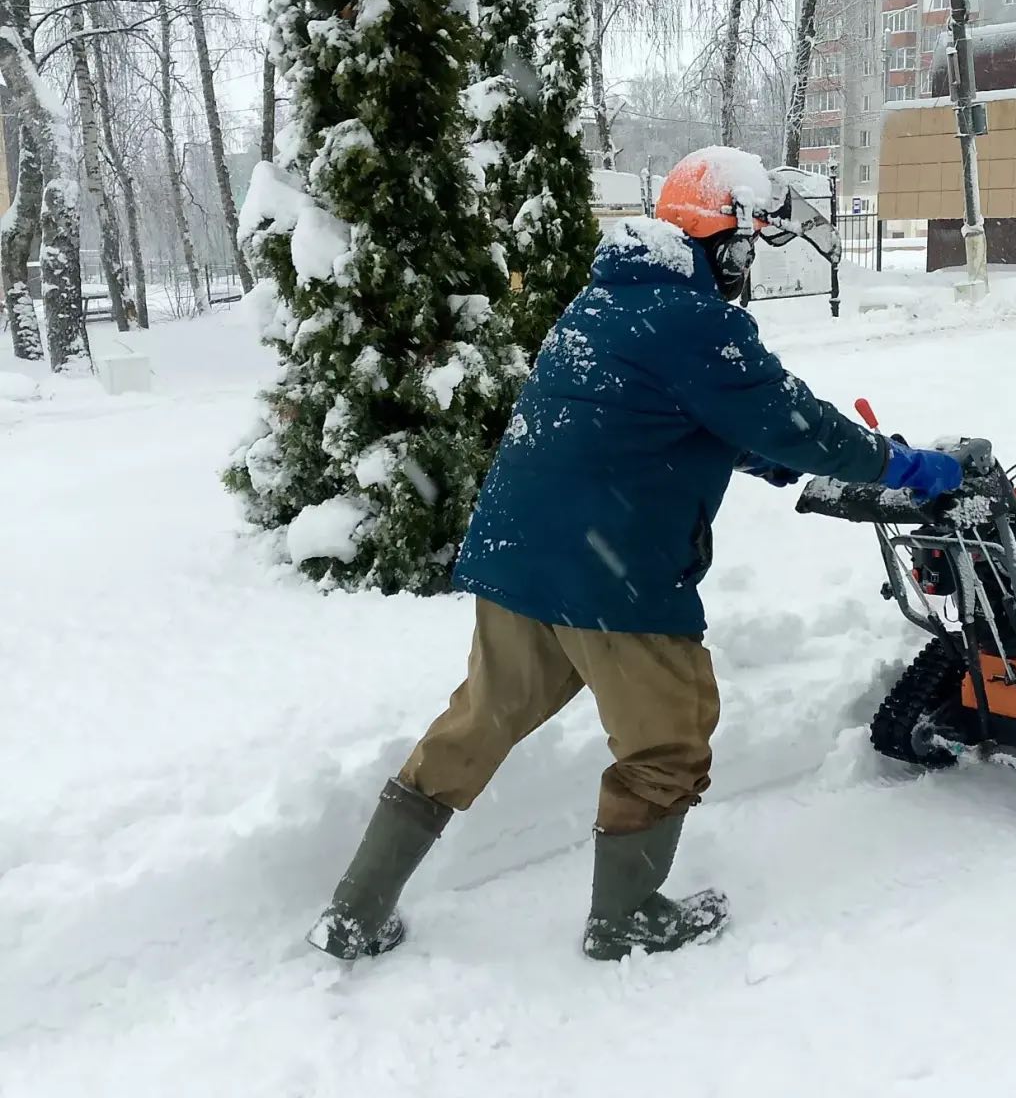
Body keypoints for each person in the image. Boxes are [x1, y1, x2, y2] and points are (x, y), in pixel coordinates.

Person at [307, 147, 964, 964]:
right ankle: (624, 919)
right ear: (718, 243)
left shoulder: (605, 300)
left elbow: (651, 413)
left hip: (519, 560)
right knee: (668, 744)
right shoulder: (696, 320)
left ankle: (356, 909)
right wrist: (905, 465)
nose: (747, 268)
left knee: (479, 722)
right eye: (745, 249)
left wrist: (757, 451)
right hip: (613, 575)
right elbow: (799, 425)